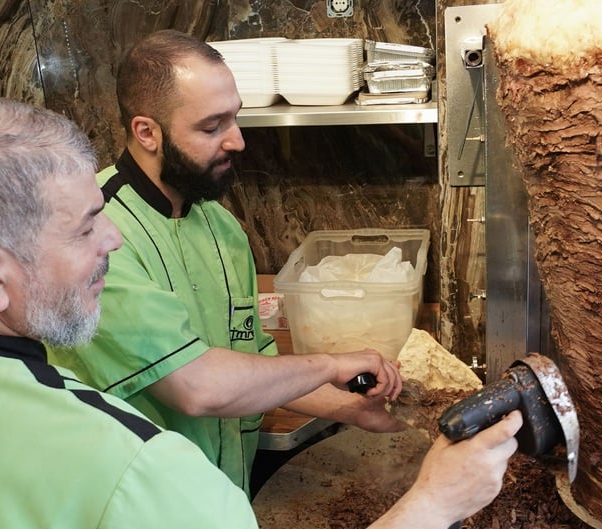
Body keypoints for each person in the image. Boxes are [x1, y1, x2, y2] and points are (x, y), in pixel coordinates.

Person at [0, 94, 523, 529]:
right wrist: (435, 501)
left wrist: (340, 402)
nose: (112, 236)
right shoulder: (132, 469)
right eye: (83, 227)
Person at [47, 29, 406, 496]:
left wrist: (351, 408)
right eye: (211, 127)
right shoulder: (94, 236)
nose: (237, 141)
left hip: (222, 497)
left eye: (235, 119)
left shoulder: (222, 228)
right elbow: (196, 387)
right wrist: (330, 364)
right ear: (146, 132)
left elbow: (253, 362)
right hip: (137, 506)